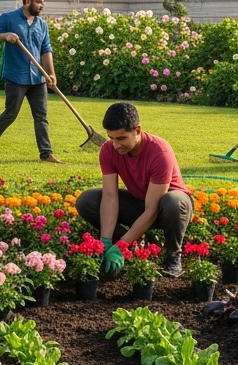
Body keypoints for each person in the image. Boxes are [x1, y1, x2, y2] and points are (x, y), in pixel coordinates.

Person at [76, 101, 193, 278]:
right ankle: (130, 245)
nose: (116, 145)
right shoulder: (108, 150)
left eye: (121, 138)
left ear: (137, 131)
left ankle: (173, 255)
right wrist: (106, 241)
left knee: (173, 201)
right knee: (87, 200)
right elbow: (109, 197)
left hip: (168, 210)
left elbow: (152, 209)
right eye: (111, 138)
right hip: (139, 203)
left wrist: (122, 246)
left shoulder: (160, 152)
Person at [0, 0, 62, 164]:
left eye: (43, 2)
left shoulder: (42, 25)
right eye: (39, 2)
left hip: (38, 78)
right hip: (16, 77)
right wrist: (5, 35)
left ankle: (46, 154)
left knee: (41, 116)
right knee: (11, 114)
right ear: (27, 1)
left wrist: (51, 74)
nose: (42, 6)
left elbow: (46, 50)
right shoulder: (9, 19)